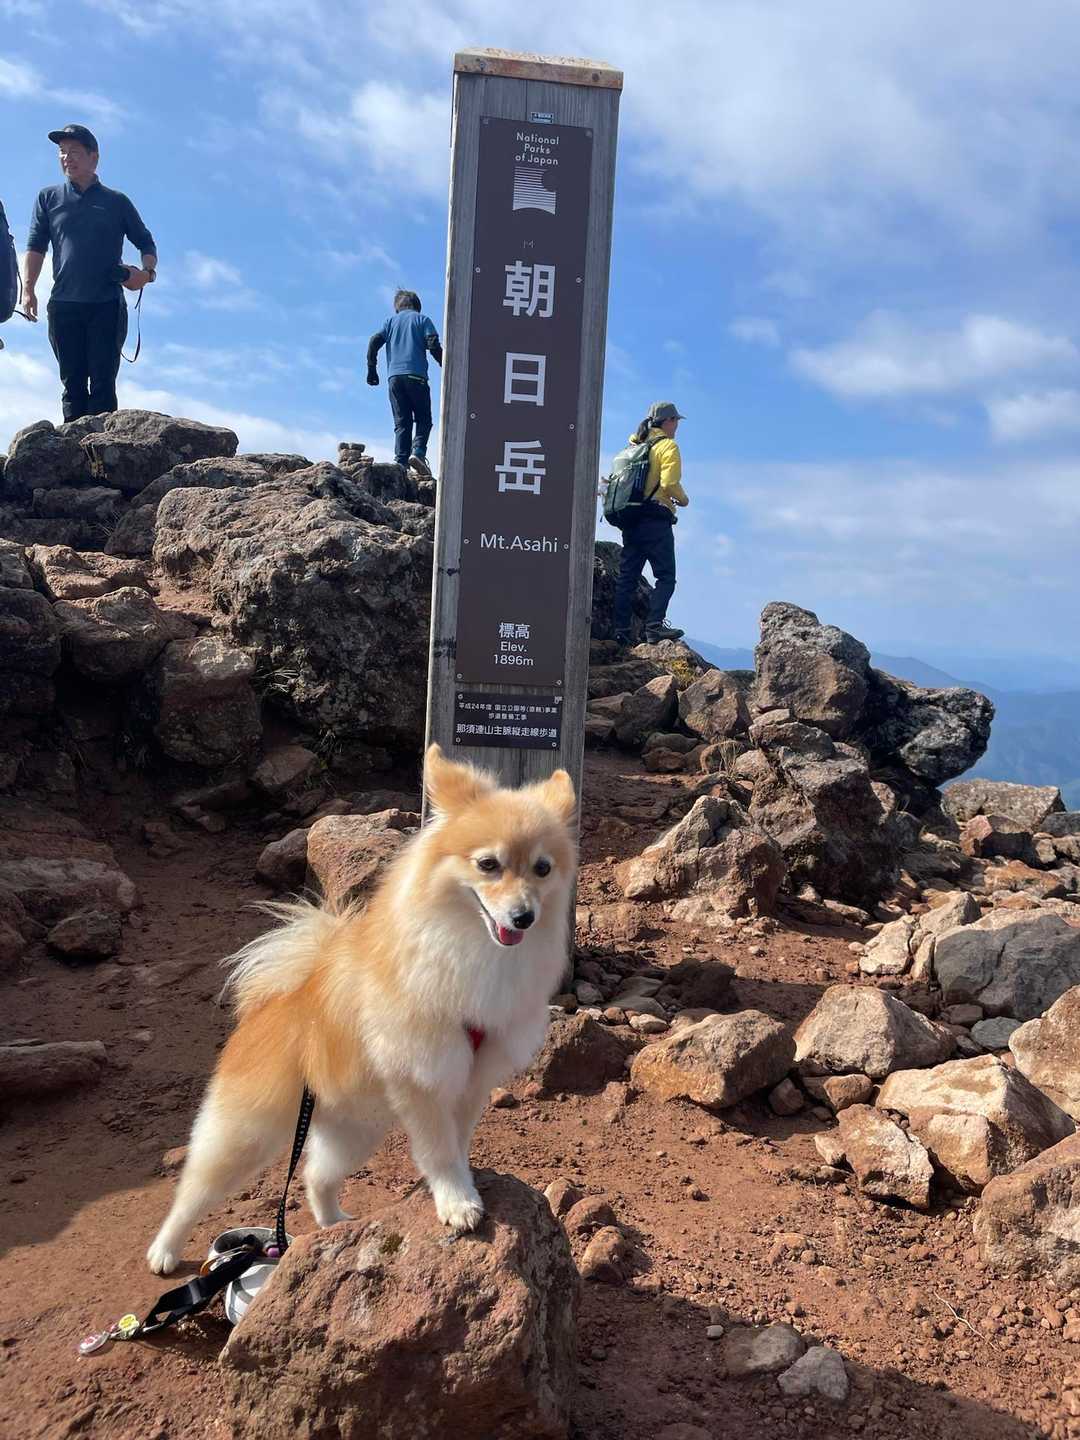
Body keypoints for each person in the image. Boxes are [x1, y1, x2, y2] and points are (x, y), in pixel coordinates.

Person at [24, 123, 157, 422]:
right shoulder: (48, 198)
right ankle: (72, 448)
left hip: (106, 305)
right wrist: (28, 289)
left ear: (93, 157)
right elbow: (35, 245)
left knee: (102, 385)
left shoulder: (116, 202)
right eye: (62, 152)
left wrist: (146, 273)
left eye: (74, 152)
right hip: (64, 304)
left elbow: (146, 242)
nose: (66, 158)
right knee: (72, 386)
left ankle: (102, 450)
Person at [612, 400, 689, 647]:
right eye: (676, 421)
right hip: (656, 520)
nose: (677, 426)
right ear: (668, 421)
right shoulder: (667, 446)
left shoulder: (634, 445)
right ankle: (654, 627)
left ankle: (620, 631)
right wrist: (683, 500)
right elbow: (668, 484)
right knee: (665, 576)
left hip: (631, 519)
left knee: (627, 577)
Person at [366, 289, 442, 477]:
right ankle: (418, 453)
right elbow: (433, 343)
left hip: (394, 379)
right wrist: (446, 364)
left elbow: (374, 341)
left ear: (397, 308)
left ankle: (401, 464)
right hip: (417, 377)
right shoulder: (422, 320)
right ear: (417, 305)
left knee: (402, 422)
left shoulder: (389, 323)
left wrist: (372, 368)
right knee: (424, 419)